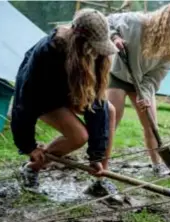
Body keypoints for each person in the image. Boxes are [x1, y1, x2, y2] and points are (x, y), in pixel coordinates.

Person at [10, 8, 119, 194]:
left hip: (70, 91)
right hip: (43, 97)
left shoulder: (94, 53)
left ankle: (101, 178)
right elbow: (24, 101)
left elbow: (97, 103)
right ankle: (31, 169)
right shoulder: (45, 54)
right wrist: (28, 146)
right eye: (94, 45)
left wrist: (96, 156)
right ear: (80, 41)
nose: (98, 51)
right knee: (79, 136)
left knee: (109, 111)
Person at [106, 3, 170, 176]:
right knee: (112, 120)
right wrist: (115, 37)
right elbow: (105, 21)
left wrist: (145, 95)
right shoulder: (133, 22)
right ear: (163, 22)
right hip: (117, 75)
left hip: (141, 82)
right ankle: (102, 165)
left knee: (150, 124)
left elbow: (155, 76)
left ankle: (157, 166)